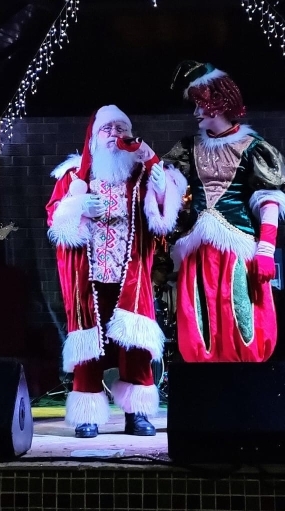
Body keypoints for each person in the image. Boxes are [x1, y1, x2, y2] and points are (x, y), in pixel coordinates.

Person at [46, 105, 186, 438]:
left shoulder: (141, 173)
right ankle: (88, 413)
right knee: (89, 344)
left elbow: (164, 218)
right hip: (89, 274)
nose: (114, 135)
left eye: (121, 129)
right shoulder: (73, 177)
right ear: (94, 137)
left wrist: (159, 182)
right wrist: (78, 206)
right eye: (107, 129)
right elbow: (54, 218)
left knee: (135, 343)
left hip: (130, 272)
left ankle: (137, 414)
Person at [164, 61, 285, 363]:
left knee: (238, 311)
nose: (196, 113)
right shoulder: (188, 147)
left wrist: (266, 250)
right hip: (198, 250)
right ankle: (207, 377)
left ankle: (243, 375)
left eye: (200, 104)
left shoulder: (253, 147)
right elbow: (167, 189)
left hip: (236, 249)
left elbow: (269, 201)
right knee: (199, 316)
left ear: (219, 104)